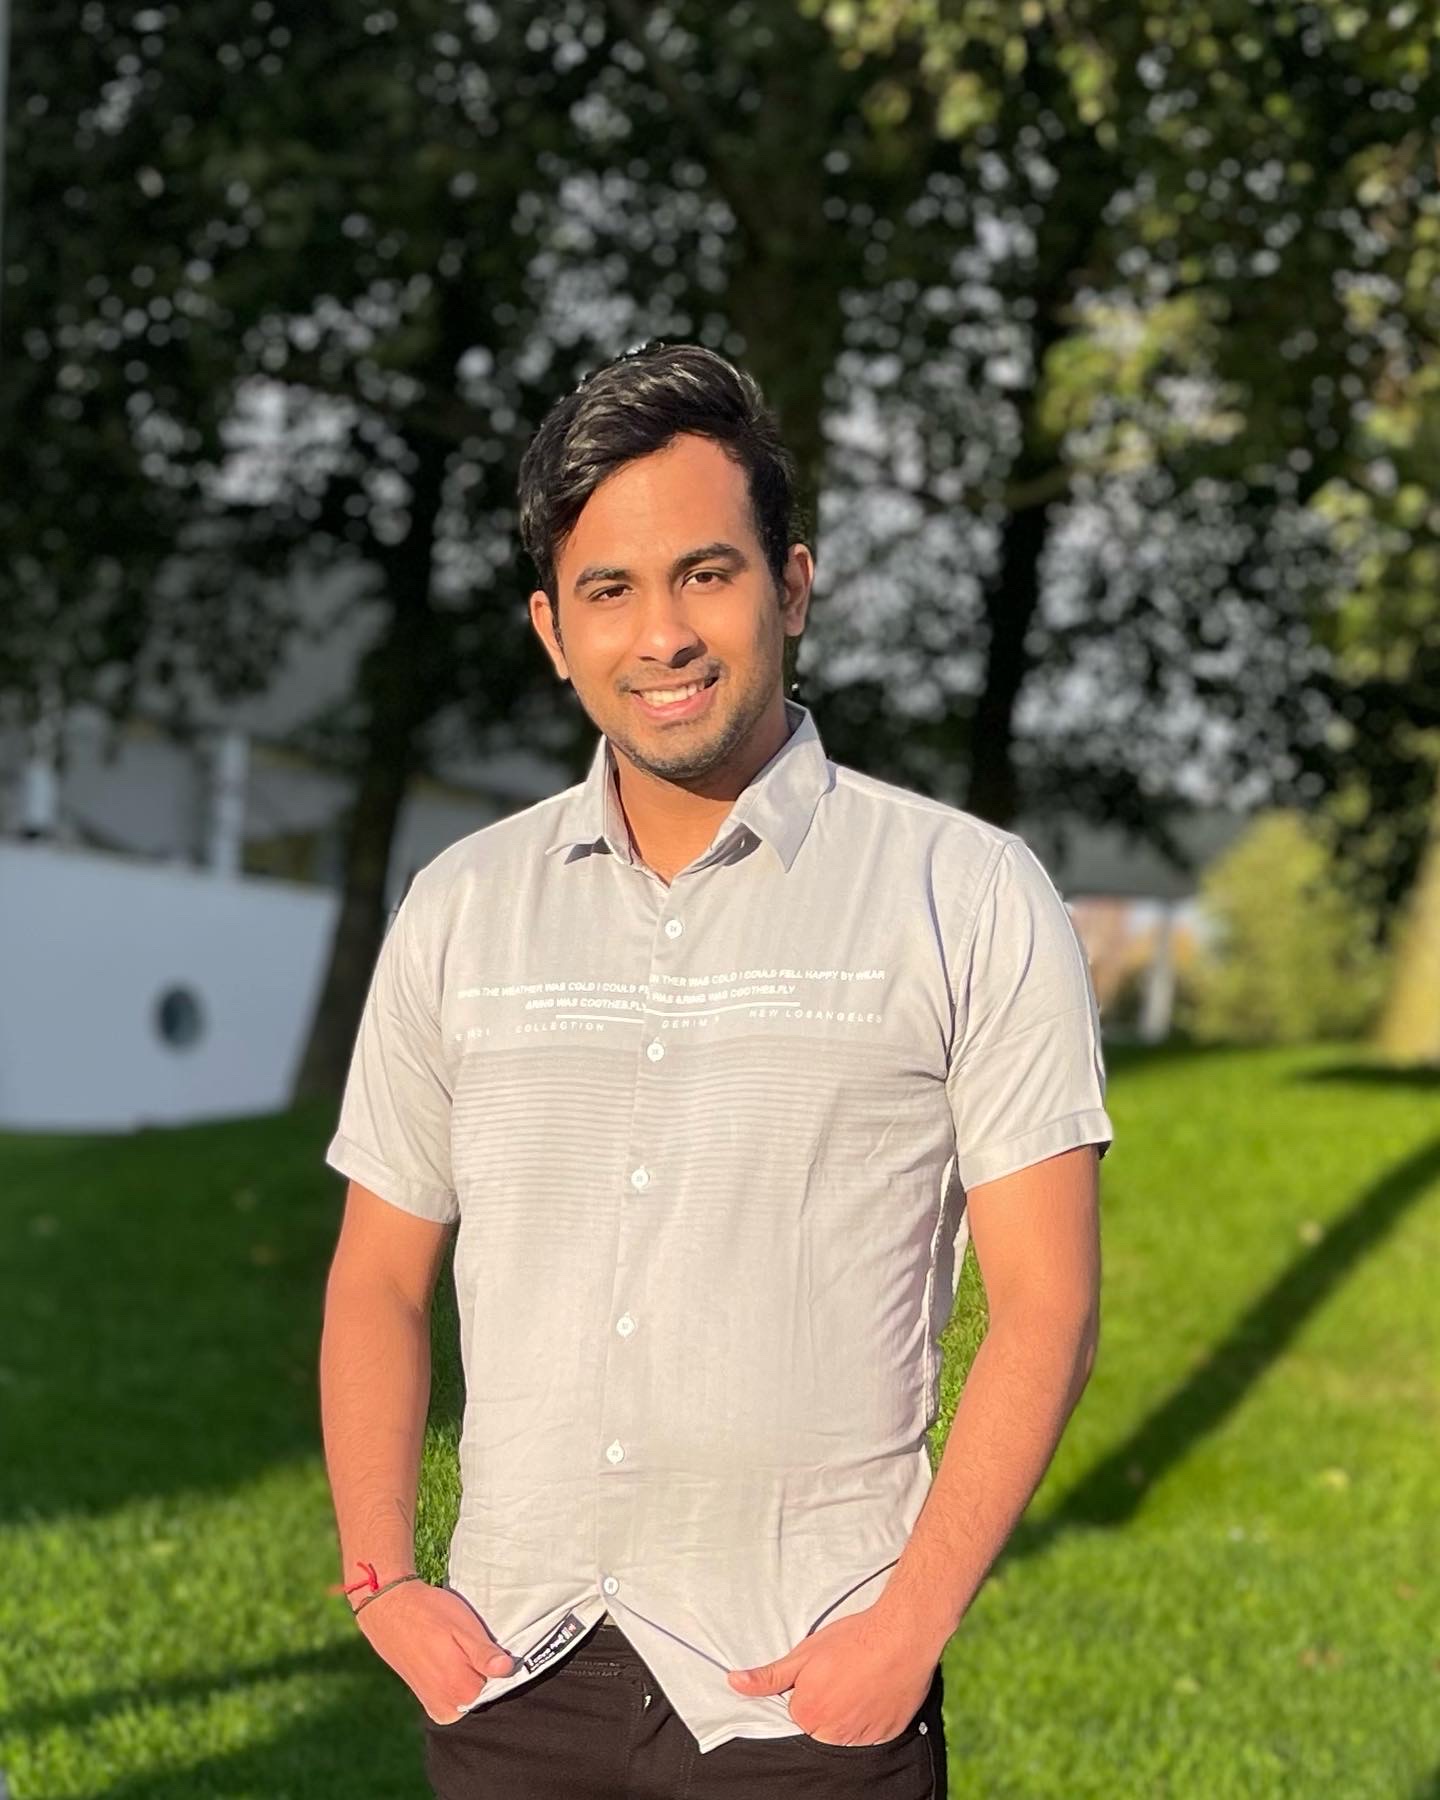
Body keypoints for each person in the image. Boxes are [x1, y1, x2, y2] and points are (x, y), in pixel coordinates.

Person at [319, 340, 1114, 1799]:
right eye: (609, 590)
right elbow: (377, 1274)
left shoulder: (967, 893)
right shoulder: (458, 907)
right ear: (552, 630)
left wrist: (910, 1629)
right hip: (508, 1672)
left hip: (807, 1691)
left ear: (790, 587)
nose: (663, 635)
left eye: (707, 574)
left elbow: (1048, 1302)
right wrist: (382, 1583)